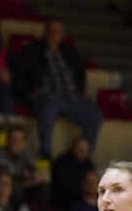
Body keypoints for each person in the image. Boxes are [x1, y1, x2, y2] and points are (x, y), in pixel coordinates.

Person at [14, 20, 102, 158]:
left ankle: (82, 157)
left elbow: (80, 73)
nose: (55, 34)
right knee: (48, 107)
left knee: (94, 113)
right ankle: (46, 155)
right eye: (52, 31)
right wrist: (29, 92)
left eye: (58, 32)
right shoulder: (32, 51)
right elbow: (19, 74)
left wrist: (81, 90)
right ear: (45, 32)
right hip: (46, 97)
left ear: (62, 34)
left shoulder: (69, 52)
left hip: (71, 97)